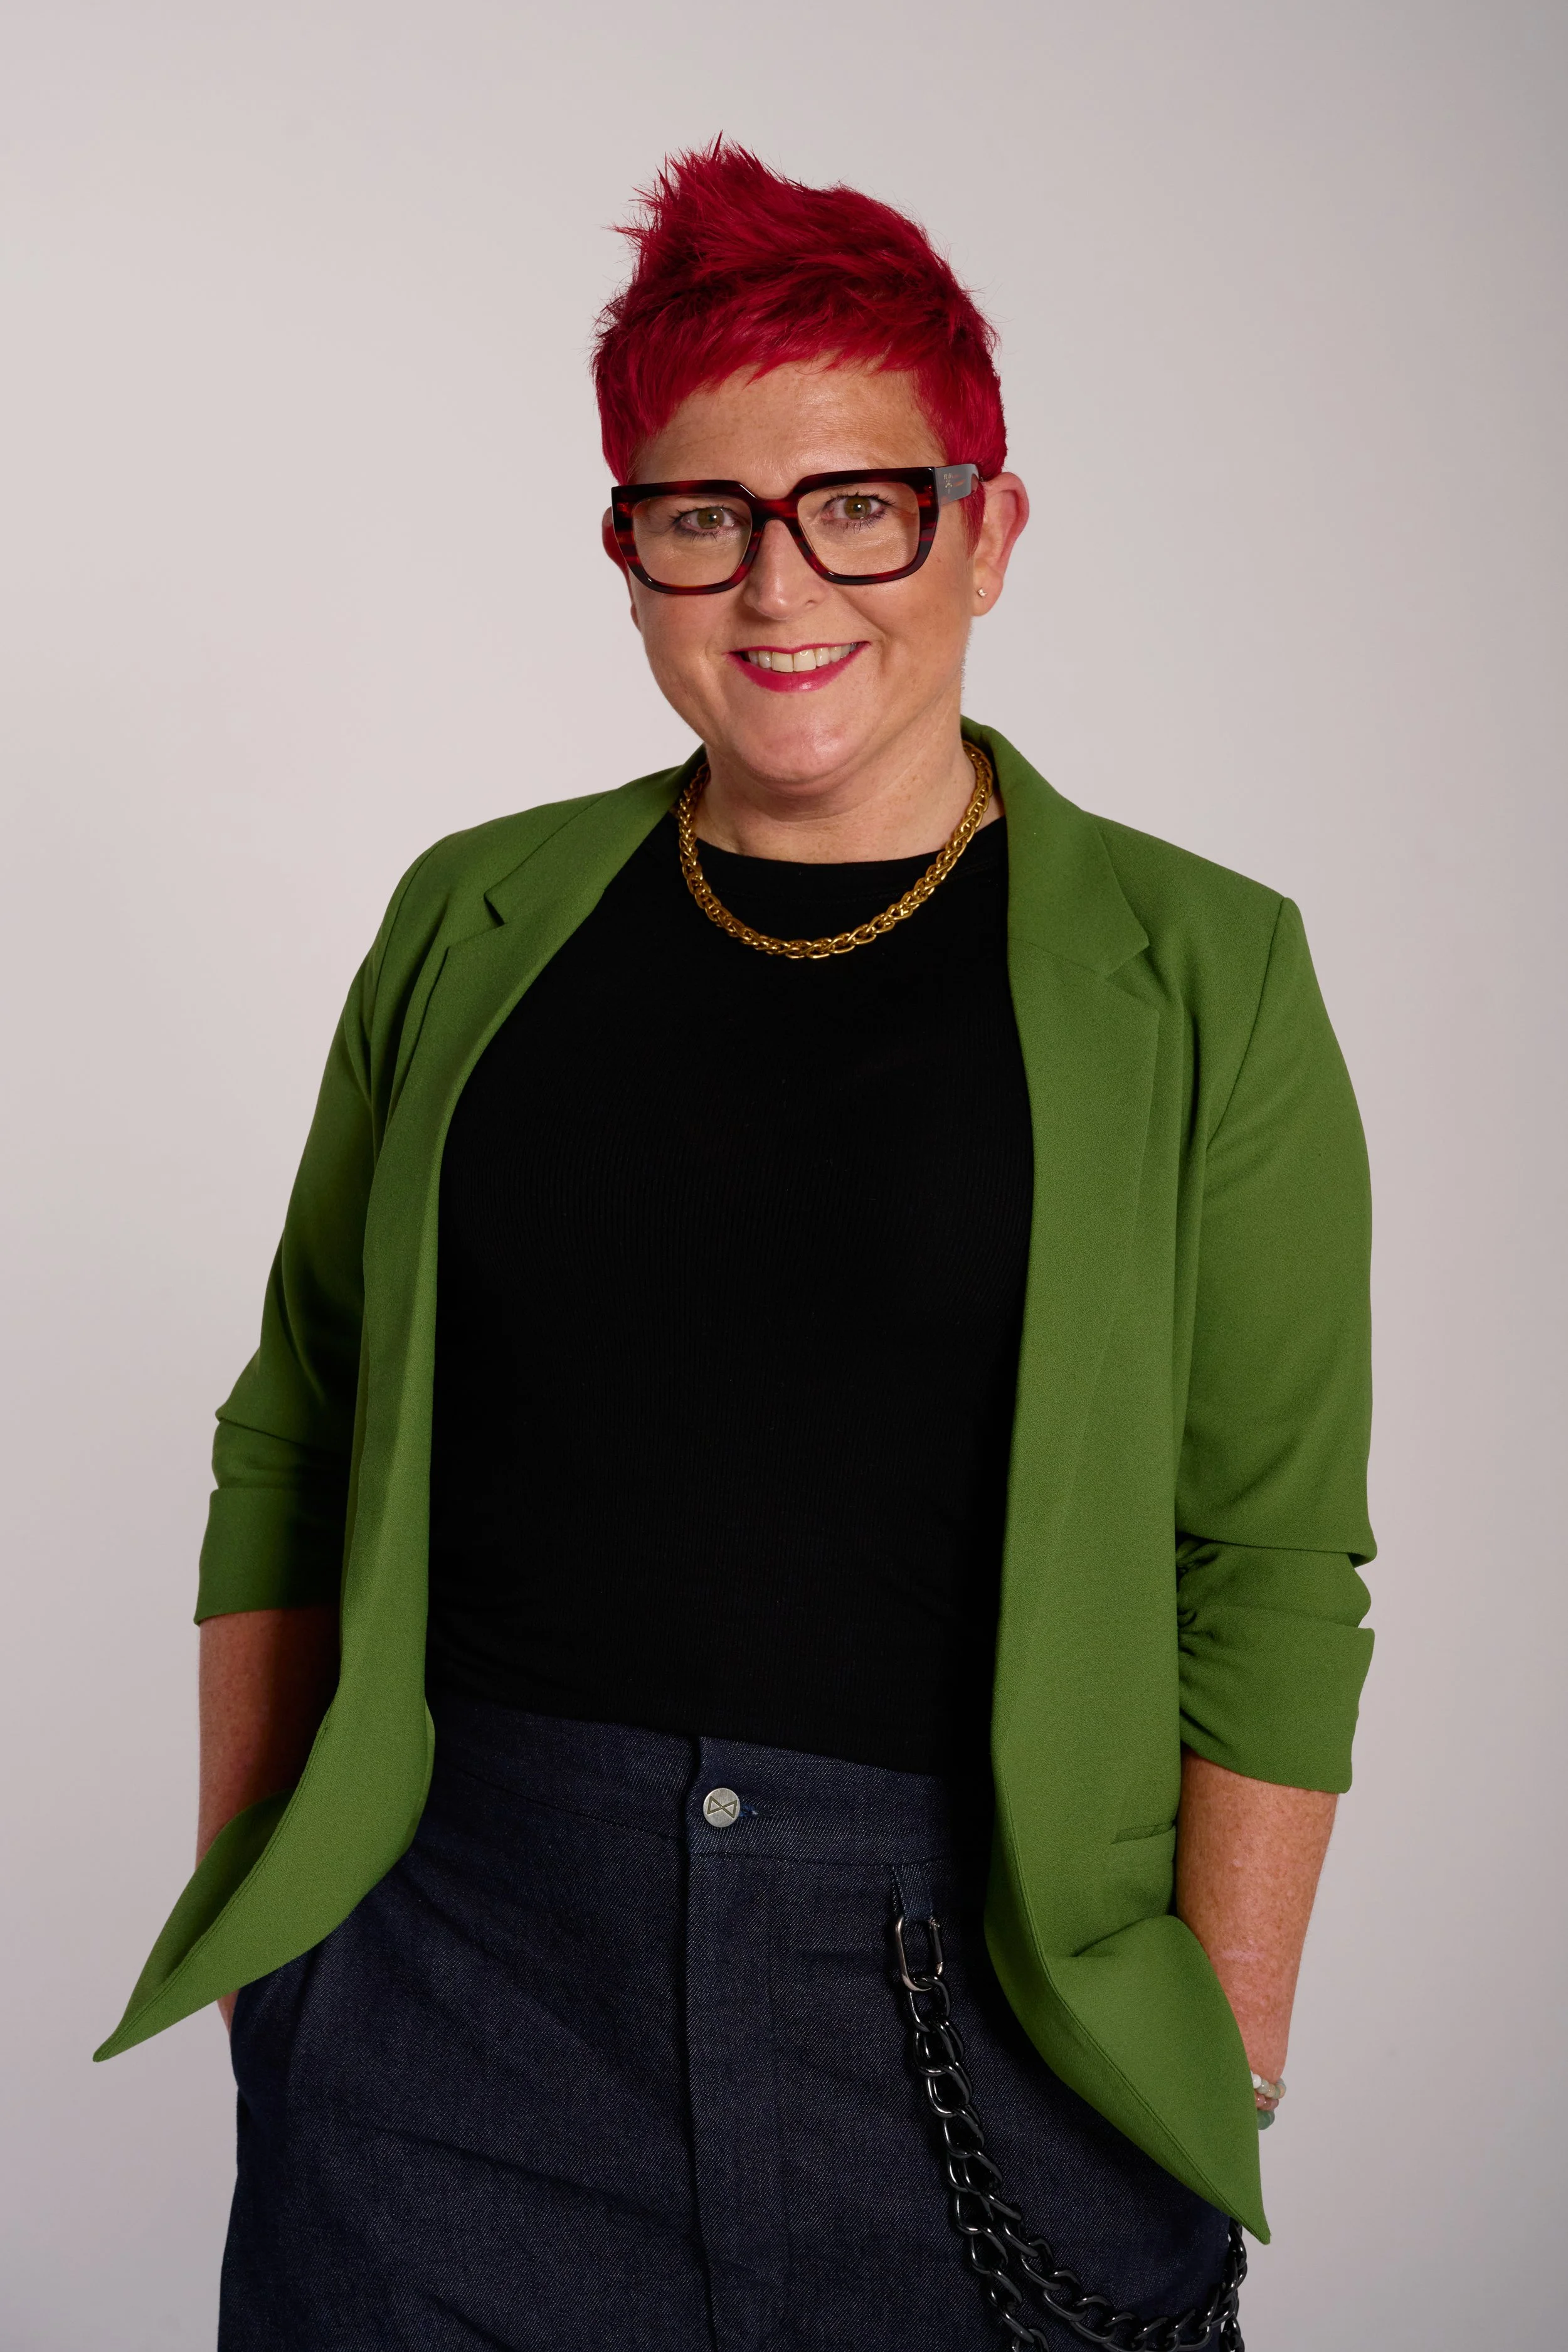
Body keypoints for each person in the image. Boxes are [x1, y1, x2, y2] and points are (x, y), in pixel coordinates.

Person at [97, 142, 1375, 2352]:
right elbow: (293, 1423)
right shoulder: (473, 918)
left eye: (858, 504)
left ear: (987, 527)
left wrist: (1213, 2044)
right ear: (628, 551)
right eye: (701, 517)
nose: (779, 586)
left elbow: (1264, 1556)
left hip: (976, 1995)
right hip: (460, 1994)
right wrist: (275, 1952)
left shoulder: (1200, 972)